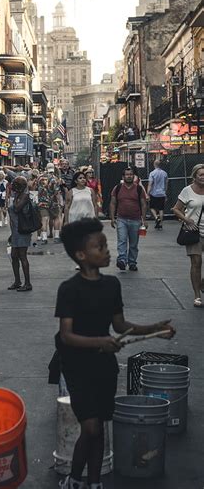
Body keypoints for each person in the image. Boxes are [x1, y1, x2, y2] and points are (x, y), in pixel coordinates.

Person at [55, 218, 175, 489]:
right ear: (81, 255)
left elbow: (120, 325)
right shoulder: (69, 289)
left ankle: (94, 482)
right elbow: (67, 336)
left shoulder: (112, 285)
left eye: (106, 245)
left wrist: (154, 328)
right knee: (91, 427)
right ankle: (74, 479)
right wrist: (101, 341)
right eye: (100, 246)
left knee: (100, 427)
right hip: (77, 365)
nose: (107, 251)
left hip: (104, 365)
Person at [172, 164, 204, 307]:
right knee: (196, 263)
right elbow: (176, 209)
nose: (203, 177)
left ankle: (202, 283)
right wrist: (186, 219)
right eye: (201, 175)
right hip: (194, 231)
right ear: (194, 176)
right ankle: (197, 295)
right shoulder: (187, 191)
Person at [109, 167, 148, 272]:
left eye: (131, 174)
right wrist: (112, 218)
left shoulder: (139, 189)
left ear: (134, 176)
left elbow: (144, 204)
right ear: (123, 177)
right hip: (121, 219)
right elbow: (113, 203)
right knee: (122, 240)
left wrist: (144, 220)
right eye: (127, 174)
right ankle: (122, 260)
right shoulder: (117, 188)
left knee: (133, 244)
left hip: (136, 220)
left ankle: (132, 262)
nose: (129, 176)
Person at [7, 176, 33, 292]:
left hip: (22, 230)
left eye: (15, 184)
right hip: (15, 231)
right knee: (14, 256)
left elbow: (17, 209)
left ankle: (27, 283)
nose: (13, 186)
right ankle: (17, 281)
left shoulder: (25, 196)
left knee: (22, 256)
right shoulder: (18, 196)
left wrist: (16, 196)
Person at [38, 164, 63, 244]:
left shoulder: (40, 177)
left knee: (44, 219)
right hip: (53, 202)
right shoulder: (55, 179)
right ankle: (56, 237)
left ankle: (44, 238)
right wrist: (60, 202)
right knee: (56, 218)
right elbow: (57, 192)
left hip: (42, 202)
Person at [147, 159, 168, 230]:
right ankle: (161, 224)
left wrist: (148, 193)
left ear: (154, 165)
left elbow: (150, 184)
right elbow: (166, 184)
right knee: (161, 209)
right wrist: (165, 192)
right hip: (162, 193)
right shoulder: (165, 173)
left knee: (152, 207)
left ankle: (156, 217)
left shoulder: (152, 173)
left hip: (154, 193)